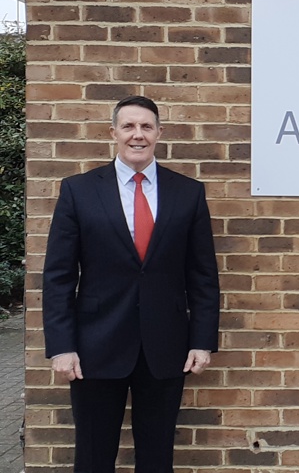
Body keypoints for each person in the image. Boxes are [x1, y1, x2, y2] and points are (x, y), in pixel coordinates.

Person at [42, 95, 220, 473]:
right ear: (114, 133)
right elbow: (58, 276)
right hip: (94, 347)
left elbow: (203, 275)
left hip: (166, 347)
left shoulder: (188, 193)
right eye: (128, 126)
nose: (137, 135)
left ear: (159, 133)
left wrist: (202, 340)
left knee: (157, 458)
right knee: (92, 456)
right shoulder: (79, 190)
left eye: (146, 127)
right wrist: (61, 347)